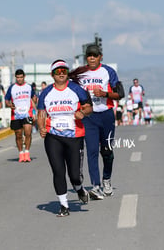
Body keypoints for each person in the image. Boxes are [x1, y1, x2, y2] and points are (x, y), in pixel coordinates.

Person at [37, 60, 92, 217]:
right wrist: (41, 127)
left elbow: (88, 107)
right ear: (52, 75)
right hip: (53, 136)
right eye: (58, 71)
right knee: (58, 171)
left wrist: (83, 113)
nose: (61, 73)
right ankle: (64, 205)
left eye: (64, 70)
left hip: (74, 136)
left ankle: (79, 188)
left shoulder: (76, 89)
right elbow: (41, 113)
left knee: (74, 175)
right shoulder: (46, 92)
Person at [70, 44, 122, 200]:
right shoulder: (80, 73)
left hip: (106, 115)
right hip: (89, 118)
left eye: (95, 55)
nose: (92, 57)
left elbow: (120, 93)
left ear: (100, 56)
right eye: (89, 55)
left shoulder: (108, 71)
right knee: (92, 151)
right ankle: (96, 186)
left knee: (106, 151)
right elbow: (67, 88)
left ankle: (106, 179)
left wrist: (105, 93)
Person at [5, 69, 37, 162]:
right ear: (16, 77)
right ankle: (21, 153)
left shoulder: (29, 87)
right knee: (18, 135)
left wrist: (34, 107)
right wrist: (9, 105)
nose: (19, 79)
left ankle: (27, 152)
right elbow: (7, 99)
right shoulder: (12, 88)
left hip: (27, 113)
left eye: (21, 77)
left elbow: (33, 97)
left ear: (24, 77)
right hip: (16, 115)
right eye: (17, 77)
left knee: (28, 133)